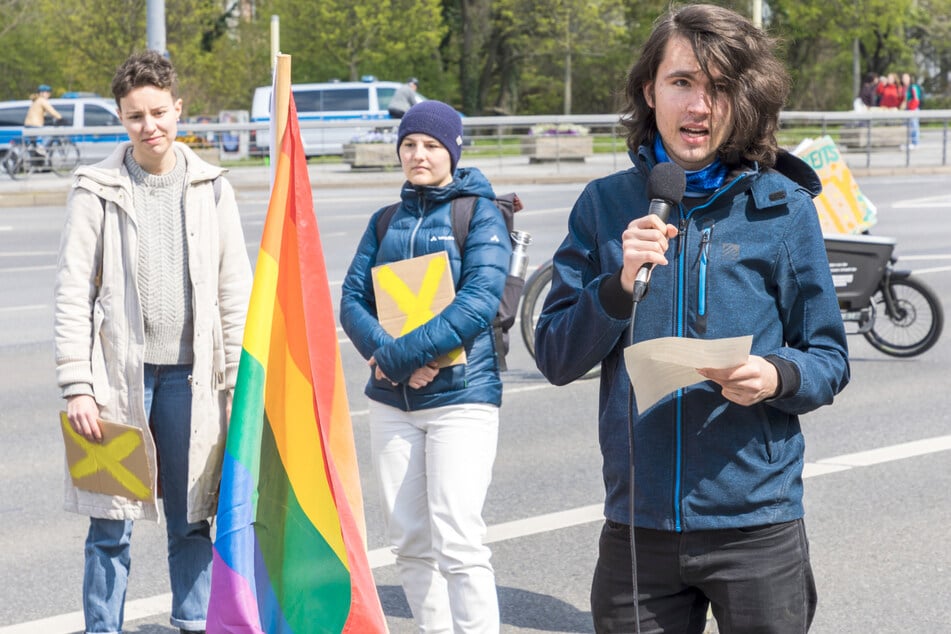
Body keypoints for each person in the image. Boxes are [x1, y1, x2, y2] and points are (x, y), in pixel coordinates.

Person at [533, 5, 850, 633]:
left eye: (720, 86)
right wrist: (618, 287)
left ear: (744, 99)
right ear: (649, 90)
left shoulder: (784, 207)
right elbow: (554, 354)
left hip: (756, 524)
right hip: (637, 525)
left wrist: (777, 375)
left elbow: (828, 358)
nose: (699, 105)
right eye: (682, 82)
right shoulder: (605, 205)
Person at [55, 50, 252, 634]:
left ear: (178, 107)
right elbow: (71, 293)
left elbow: (233, 290)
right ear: (121, 117)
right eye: (136, 115)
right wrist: (78, 386)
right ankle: (102, 628)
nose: (151, 126)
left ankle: (195, 623)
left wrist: (236, 380)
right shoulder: (95, 188)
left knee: (192, 519)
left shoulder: (213, 186)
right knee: (109, 524)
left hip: (192, 381)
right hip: (119, 383)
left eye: (159, 112)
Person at [340, 100, 511, 633]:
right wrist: (392, 365)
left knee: (458, 537)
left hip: (461, 398)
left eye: (432, 145)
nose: (419, 154)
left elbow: (480, 301)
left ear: (453, 152)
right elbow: (351, 299)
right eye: (409, 144)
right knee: (409, 542)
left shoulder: (478, 212)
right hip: (392, 403)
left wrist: (396, 357)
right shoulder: (384, 220)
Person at [901, 72, 922, 149]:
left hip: (913, 109)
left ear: (909, 78)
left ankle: (915, 143)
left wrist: (911, 109)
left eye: (906, 78)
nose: (904, 79)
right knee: (907, 126)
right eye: (903, 78)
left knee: (914, 126)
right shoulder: (904, 88)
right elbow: (905, 99)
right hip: (908, 109)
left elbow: (916, 99)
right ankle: (909, 142)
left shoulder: (913, 87)